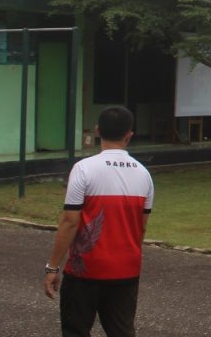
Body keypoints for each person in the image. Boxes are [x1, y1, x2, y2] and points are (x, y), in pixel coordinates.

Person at [43, 106, 154, 337]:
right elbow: (141, 227)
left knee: (75, 330)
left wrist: (53, 266)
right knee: (122, 331)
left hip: (85, 270)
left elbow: (69, 222)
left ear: (97, 131)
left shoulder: (83, 169)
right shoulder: (144, 175)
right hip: (126, 269)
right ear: (129, 135)